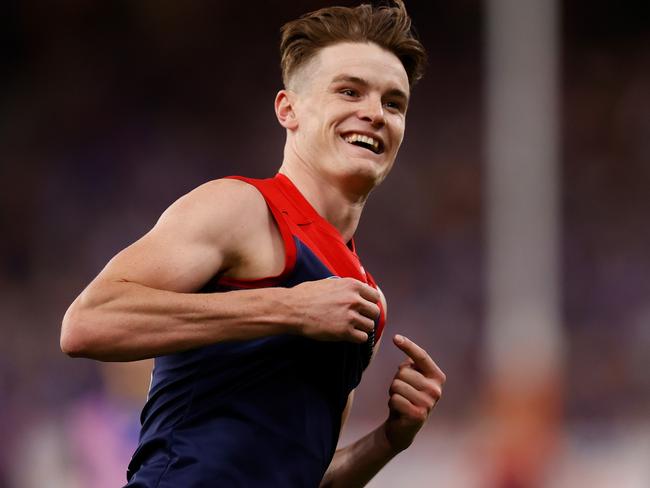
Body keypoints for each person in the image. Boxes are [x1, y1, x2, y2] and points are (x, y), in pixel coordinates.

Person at [61, 1, 446, 486]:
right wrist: (288, 309)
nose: (373, 113)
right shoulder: (243, 208)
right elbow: (86, 323)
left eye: (394, 103)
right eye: (350, 91)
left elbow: (304, 477)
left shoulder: (358, 295)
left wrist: (389, 439)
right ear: (289, 109)